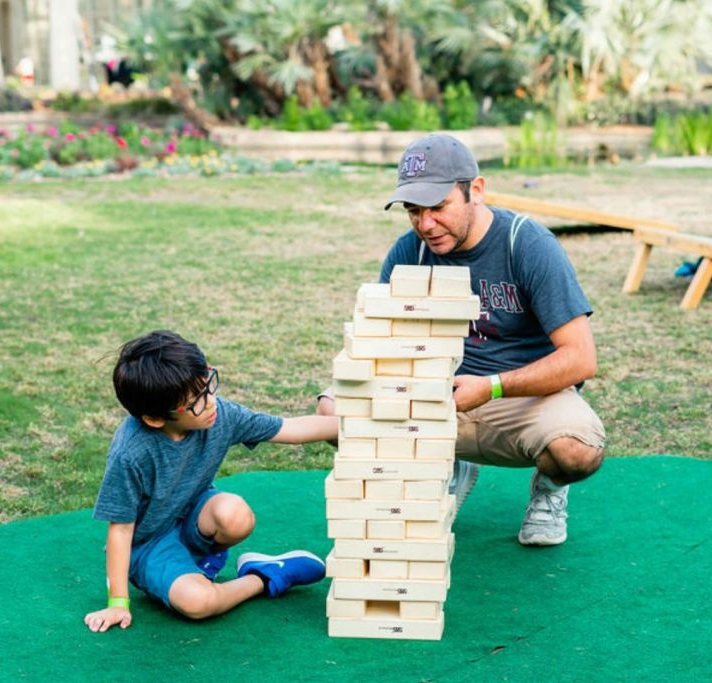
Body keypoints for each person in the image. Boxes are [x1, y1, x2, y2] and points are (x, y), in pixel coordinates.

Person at [318, 133, 605, 547]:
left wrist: (492, 386)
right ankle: (440, 466)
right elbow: (378, 340)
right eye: (414, 211)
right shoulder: (409, 252)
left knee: (577, 451)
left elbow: (581, 359)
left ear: (477, 191)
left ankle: (549, 490)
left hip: (516, 396)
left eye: (438, 207)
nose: (426, 224)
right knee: (333, 409)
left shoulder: (526, 244)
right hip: (434, 391)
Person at [85, 330, 336, 633]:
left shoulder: (218, 414)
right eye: (196, 402)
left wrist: (358, 425)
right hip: (148, 544)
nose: (211, 402)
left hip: (194, 515)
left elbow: (289, 429)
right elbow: (121, 530)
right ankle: (263, 577)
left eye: (208, 385)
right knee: (198, 603)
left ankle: (199, 566)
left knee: (235, 514)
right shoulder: (130, 454)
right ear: (154, 418)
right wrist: (118, 603)